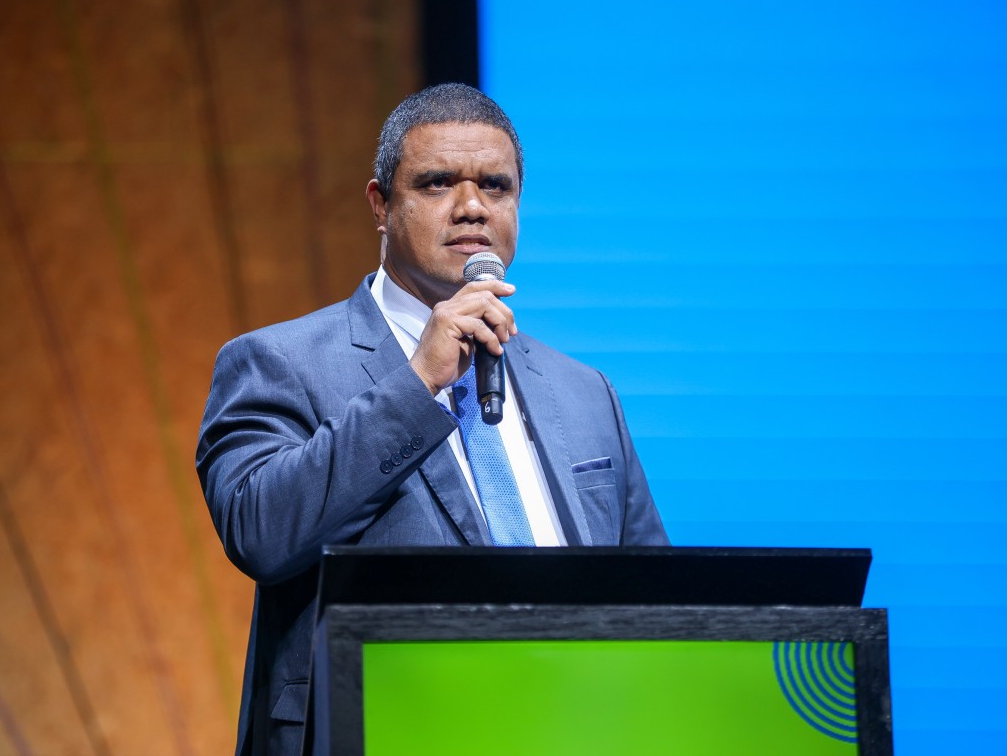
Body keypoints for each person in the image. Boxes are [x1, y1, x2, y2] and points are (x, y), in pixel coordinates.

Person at [196, 83, 668, 756]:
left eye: (496, 187)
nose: (472, 206)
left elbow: (656, 598)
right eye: (438, 183)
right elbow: (263, 534)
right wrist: (418, 381)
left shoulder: (584, 391)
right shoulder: (277, 362)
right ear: (381, 205)